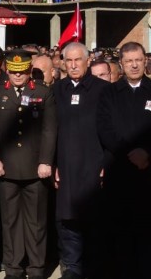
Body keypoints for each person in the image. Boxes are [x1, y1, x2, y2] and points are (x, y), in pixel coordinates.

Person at [0, 50, 56, 279]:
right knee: (10, 221)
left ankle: (36, 268)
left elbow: (49, 130)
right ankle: (13, 268)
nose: (18, 75)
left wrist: (46, 161)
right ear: (7, 70)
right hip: (6, 168)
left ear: (29, 70)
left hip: (36, 168)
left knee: (36, 222)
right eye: (14, 71)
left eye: (22, 71)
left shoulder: (43, 92)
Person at [53, 43, 110, 279]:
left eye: (78, 60)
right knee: (68, 220)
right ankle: (72, 267)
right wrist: (53, 164)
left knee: (93, 218)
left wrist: (107, 163)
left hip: (94, 164)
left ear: (88, 61)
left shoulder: (104, 90)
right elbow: (50, 130)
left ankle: (93, 267)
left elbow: (110, 130)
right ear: (63, 63)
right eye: (69, 60)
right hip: (65, 165)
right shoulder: (57, 90)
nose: (74, 65)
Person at [97, 42, 151, 279]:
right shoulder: (108, 93)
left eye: (138, 59)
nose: (134, 65)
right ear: (121, 64)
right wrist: (130, 153)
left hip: (148, 171)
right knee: (120, 233)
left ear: (145, 60)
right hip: (119, 171)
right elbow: (105, 129)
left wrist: (146, 152)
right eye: (129, 61)